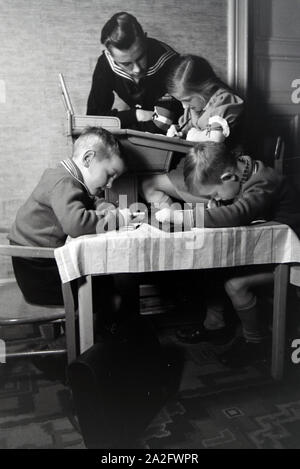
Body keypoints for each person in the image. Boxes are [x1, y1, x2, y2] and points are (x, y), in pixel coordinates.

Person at [155, 141, 300, 367]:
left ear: (227, 177)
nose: (217, 200)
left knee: (235, 284)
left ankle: (255, 344)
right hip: (270, 251)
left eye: (215, 194)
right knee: (211, 263)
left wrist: (184, 217)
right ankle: (216, 325)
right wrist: (217, 204)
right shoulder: (242, 172)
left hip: (291, 260)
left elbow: (237, 215)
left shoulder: (264, 180)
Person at [8, 126, 140, 322]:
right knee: (110, 285)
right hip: (38, 273)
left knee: (107, 281)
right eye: (110, 174)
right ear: (88, 159)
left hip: (37, 265)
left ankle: (110, 333)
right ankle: (110, 339)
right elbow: (76, 223)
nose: (111, 184)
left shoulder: (69, 178)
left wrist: (103, 205)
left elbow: (86, 199)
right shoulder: (63, 182)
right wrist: (119, 219)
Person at [141, 54, 244, 206]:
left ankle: (201, 211)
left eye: (187, 100)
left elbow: (215, 138)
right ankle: (180, 216)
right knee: (147, 182)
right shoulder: (196, 106)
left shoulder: (224, 102)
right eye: (180, 101)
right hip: (202, 166)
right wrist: (177, 132)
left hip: (220, 171)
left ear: (205, 86)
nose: (184, 106)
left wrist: (193, 135)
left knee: (149, 184)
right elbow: (188, 127)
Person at [87, 12, 182, 133]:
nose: (137, 69)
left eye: (140, 57)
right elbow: (94, 119)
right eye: (126, 64)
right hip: (138, 133)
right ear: (111, 56)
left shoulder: (171, 63)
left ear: (145, 39)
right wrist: (137, 115)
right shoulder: (105, 64)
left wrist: (114, 127)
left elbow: (161, 125)